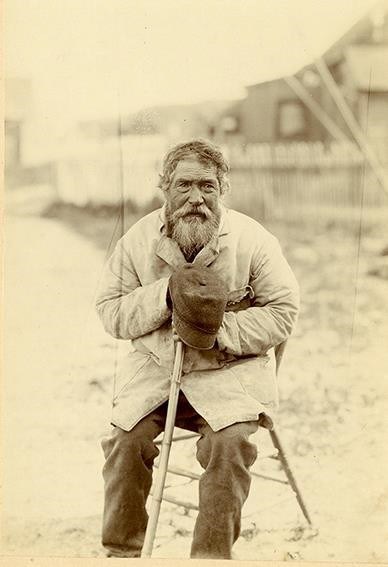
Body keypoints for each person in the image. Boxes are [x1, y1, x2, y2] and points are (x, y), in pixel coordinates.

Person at [95, 138, 300, 559]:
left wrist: (216, 329)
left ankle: (210, 556)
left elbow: (283, 311)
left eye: (207, 187)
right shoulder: (137, 240)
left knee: (229, 447)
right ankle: (122, 549)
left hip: (230, 374)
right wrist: (165, 297)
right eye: (184, 185)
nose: (196, 199)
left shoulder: (252, 239)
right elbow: (110, 311)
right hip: (157, 371)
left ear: (223, 188)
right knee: (124, 441)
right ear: (165, 188)